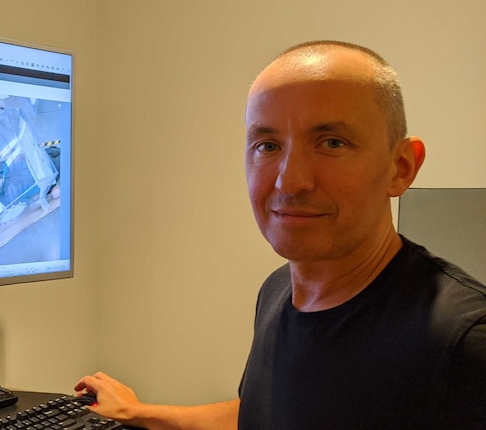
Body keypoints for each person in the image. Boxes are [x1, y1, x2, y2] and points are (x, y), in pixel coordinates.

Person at [74, 41, 486, 429]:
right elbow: (270, 414)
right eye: (268, 146)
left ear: (400, 168)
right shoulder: (277, 291)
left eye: (331, 142)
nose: (290, 181)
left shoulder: (464, 342)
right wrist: (139, 411)